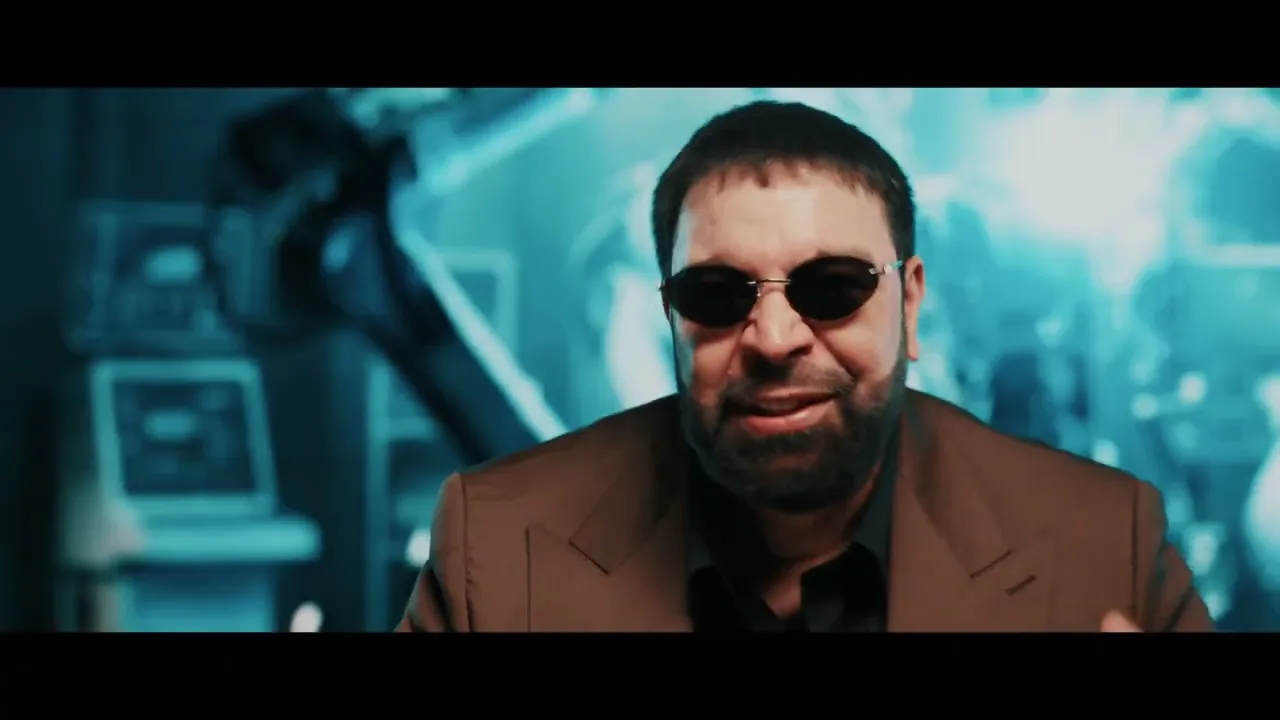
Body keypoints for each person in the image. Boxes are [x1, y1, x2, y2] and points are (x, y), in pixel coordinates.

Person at [397, 101, 1212, 632]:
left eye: (833, 288)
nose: (776, 337)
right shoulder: (497, 553)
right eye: (718, 295)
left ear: (912, 300)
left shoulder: (1101, 539)